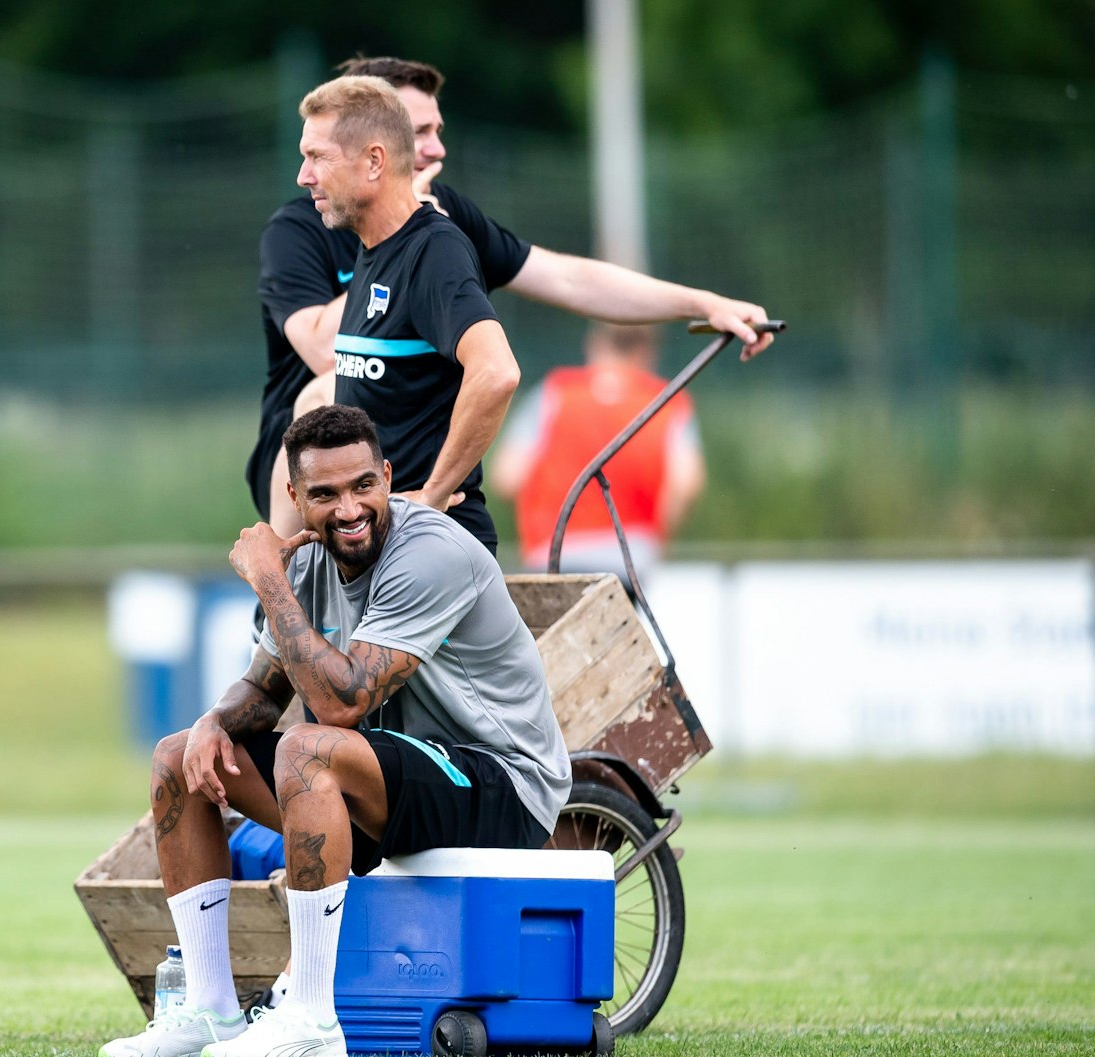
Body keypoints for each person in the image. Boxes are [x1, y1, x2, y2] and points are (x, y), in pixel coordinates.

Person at [102, 405, 569, 1057]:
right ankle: (210, 1009)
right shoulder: (310, 564)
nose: (349, 508)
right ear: (296, 497)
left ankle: (312, 1020)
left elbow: (342, 701)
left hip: (500, 785)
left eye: (362, 486)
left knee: (308, 746)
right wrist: (212, 723)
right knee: (179, 755)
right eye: (324, 493)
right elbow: (262, 695)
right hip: (392, 782)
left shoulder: (429, 550)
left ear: (387, 475)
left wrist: (267, 578)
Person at [251, 56, 771, 546]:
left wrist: (704, 303)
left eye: (437, 131)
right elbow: (326, 351)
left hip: (408, 489)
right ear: (376, 148)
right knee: (319, 398)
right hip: (308, 476)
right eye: (420, 131)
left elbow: (566, 278)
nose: (435, 149)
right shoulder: (298, 230)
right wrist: (395, 243)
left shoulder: (441, 222)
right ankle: (282, 591)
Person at [490, 324, 704, 583]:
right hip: (629, 561)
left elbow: (506, 479)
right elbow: (686, 484)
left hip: (552, 555)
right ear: (648, 351)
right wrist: (657, 538)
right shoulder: (666, 401)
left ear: (595, 343)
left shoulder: (554, 393)